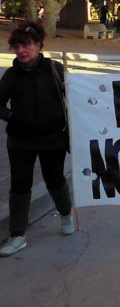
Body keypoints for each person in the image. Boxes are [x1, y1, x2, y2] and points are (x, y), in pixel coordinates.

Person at [0, 21, 75, 257]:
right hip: (20, 141)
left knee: (54, 179)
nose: (21, 51)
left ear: (39, 46)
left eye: (26, 45)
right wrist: (13, 118)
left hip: (53, 139)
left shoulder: (54, 69)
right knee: (19, 186)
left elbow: (75, 96)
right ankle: (17, 235)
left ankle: (65, 215)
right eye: (16, 46)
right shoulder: (11, 75)